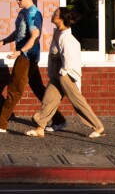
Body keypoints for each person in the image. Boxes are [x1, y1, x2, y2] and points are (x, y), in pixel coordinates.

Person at [0, 0, 65, 133]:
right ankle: (59, 119)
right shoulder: (23, 12)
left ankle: (1, 123)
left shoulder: (34, 14)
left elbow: (35, 36)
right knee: (39, 89)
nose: (17, 1)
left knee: (15, 89)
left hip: (27, 57)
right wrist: (4, 41)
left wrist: (20, 52)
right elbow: (19, 32)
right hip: (26, 55)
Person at [25, 7, 105, 138]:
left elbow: (69, 57)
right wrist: (53, 73)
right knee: (49, 99)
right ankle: (40, 128)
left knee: (77, 101)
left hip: (65, 74)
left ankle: (98, 127)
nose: (52, 15)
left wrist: (63, 73)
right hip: (57, 73)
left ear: (61, 18)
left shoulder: (66, 37)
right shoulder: (57, 32)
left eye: (55, 14)